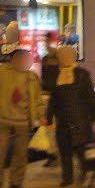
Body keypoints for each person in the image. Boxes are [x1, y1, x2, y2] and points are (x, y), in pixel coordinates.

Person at [0, 48, 44, 188]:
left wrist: (41, 115)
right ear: (13, 60)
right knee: (0, 152)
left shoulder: (32, 77)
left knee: (21, 154)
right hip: (5, 119)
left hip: (23, 121)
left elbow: (38, 99)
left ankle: (16, 182)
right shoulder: (2, 71)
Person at [48, 46, 95, 187]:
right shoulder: (56, 75)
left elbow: (91, 97)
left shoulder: (82, 74)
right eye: (62, 56)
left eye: (67, 56)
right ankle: (67, 178)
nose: (64, 59)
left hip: (80, 119)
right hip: (63, 119)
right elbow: (53, 100)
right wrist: (48, 119)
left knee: (80, 150)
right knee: (64, 150)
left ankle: (85, 173)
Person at [39, 33, 61, 167]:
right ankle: (52, 154)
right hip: (47, 96)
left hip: (57, 96)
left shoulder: (59, 58)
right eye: (46, 42)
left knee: (57, 126)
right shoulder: (45, 59)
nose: (47, 45)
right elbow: (44, 78)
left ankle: (58, 154)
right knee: (49, 127)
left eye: (49, 42)